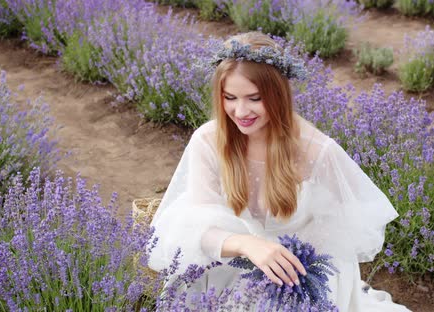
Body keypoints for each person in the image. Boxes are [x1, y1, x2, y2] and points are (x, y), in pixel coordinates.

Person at [148, 31, 411, 311]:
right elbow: (195, 227)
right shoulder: (209, 141)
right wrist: (248, 245)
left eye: (254, 98)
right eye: (230, 97)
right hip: (229, 261)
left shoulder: (316, 151)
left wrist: (296, 271)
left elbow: (343, 235)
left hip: (294, 274)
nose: (240, 111)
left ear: (277, 95)